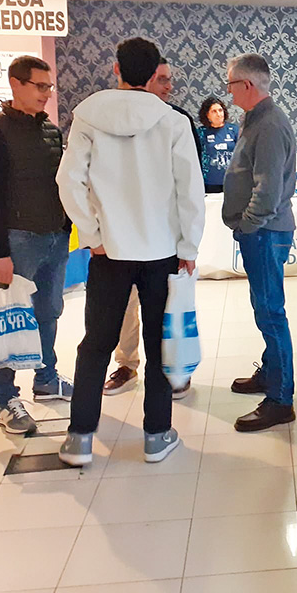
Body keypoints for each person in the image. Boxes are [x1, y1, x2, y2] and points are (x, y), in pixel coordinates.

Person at [56, 37, 204, 466]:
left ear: (116, 69)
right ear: (153, 73)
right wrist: (189, 246)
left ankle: (80, 437)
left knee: (96, 343)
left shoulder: (88, 115)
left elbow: (69, 182)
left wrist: (92, 234)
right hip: (161, 253)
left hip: (109, 253)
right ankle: (157, 436)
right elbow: (189, 191)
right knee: (159, 342)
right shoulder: (173, 121)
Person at [0, 55, 74, 435]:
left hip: (54, 237)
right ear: (16, 84)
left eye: (49, 87)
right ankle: (4, 399)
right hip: (18, 240)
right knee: (10, 318)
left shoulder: (51, 131)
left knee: (49, 311)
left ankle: (46, 377)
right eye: (40, 86)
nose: (47, 94)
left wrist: (66, 227)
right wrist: (0, 252)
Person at [103, 55, 198, 400]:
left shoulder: (178, 122)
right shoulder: (106, 121)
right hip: (122, 238)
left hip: (166, 240)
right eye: (162, 79)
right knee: (126, 309)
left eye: (170, 79)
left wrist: (188, 243)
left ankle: (176, 369)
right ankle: (127, 366)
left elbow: (190, 187)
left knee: (169, 308)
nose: (168, 86)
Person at [222, 53, 297, 432]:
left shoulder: (267, 125)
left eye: (230, 84)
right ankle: (271, 374)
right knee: (264, 308)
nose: (228, 91)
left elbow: (267, 191)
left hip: (265, 232)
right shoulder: (256, 120)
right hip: (262, 232)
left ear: (247, 85)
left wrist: (247, 226)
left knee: (270, 312)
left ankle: (281, 400)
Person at [196, 95, 239, 193]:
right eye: (214, 111)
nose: (218, 114)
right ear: (207, 115)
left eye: (220, 110)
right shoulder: (201, 132)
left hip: (232, 181)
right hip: (209, 182)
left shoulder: (234, 130)